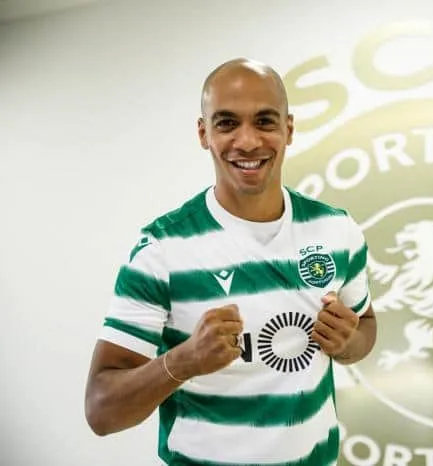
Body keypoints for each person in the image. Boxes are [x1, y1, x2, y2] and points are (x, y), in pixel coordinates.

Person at [84, 58, 377, 466]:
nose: (248, 141)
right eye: (226, 123)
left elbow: (365, 327)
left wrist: (347, 343)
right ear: (203, 133)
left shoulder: (336, 229)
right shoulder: (162, 248)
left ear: (289, 129)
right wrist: (184, 361)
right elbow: (101, 411)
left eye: (264, 121)